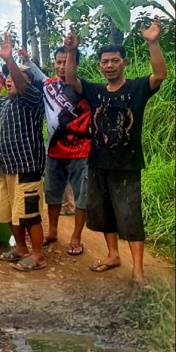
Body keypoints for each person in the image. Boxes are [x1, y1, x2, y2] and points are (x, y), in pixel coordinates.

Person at [63, 17, 167, 284]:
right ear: (100, 66)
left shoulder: (136, 89)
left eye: (115, 61)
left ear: (124, 63)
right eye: (105, 62)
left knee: (130, 215)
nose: (109, 65)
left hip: (128, 165)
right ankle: (112, 255)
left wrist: (152, 43)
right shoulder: (96, 91)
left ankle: (138, 270)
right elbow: (71, 78)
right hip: (98, 163)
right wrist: (72, 51)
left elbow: (160, 75)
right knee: (105, 213)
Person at [0, 32, 46, 272]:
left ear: (25, 81)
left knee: (29, 215)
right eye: (7, 77)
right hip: (7, 167)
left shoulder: (33, 99)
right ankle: (21, 248)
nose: (9, 80)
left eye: (14, 77)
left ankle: (38, 256)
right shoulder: (7, 103)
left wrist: (9, 61)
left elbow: (20, 81)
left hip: (26, 167)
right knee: (10, 213)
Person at [19, 46, 91, 257]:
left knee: (81, 197)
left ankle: (76, 236)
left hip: (81, 152)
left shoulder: (82, 87)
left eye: (66, 62)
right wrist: (24, 59)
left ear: (75, 64)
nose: (61, 66)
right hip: (54, 151)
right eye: (58, 62)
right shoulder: (49, 86)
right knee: (52, 195)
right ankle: (52, 231)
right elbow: (36, 76)